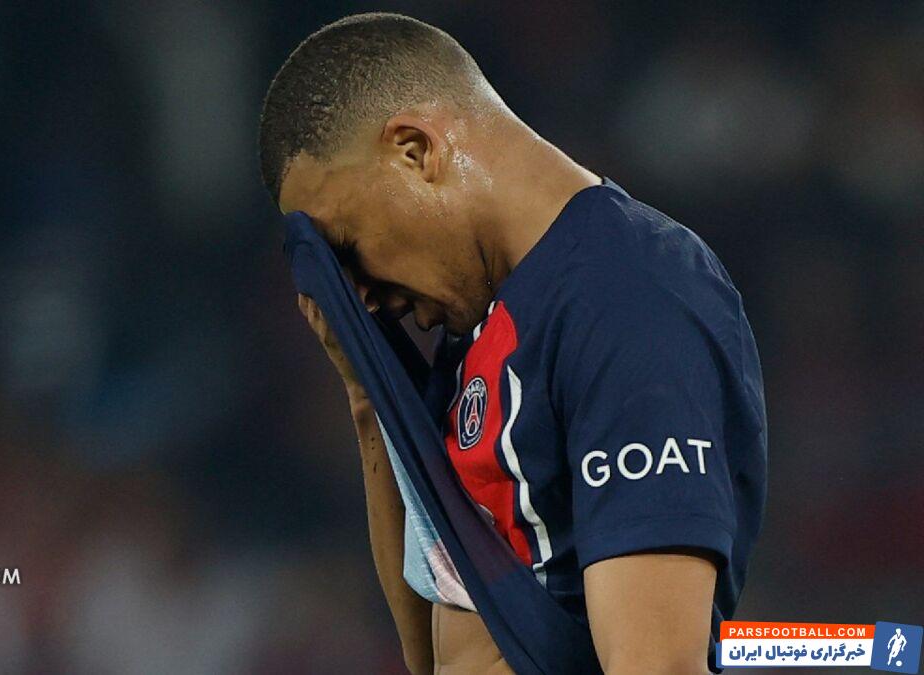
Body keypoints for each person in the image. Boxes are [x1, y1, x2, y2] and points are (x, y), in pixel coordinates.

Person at [260, 12, 767, 674]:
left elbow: (657, 665)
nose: (363, 295)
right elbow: (432, 648)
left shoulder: (628, 296)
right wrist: (367, 391)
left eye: (348, 246)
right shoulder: (477, 328)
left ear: (415, 150)